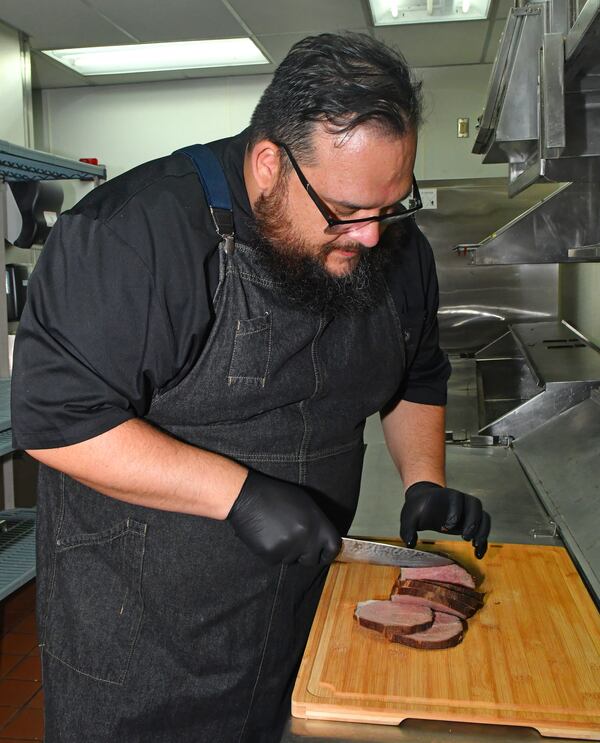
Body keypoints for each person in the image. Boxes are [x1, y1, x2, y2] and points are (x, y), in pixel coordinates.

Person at [11, 32, 491, 743]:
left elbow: (415, 370)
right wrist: (236, 494)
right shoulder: (132, 237)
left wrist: (423, 476)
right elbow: (57, 421)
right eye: (346, 210)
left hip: (304, 609)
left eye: (392, 204)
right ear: (269, 164)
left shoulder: (390, 243)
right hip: (142, 633)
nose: (369, 236)